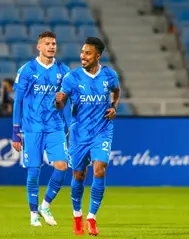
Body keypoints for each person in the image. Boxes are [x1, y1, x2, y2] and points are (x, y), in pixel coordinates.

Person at [55, 37, 121, 236]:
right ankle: (77, 216)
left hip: (102, 130)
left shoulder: (109, 75)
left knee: (100, 170)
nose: (83, 56)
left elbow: (116, 92)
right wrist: (58, 101)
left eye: (87, 53)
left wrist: (114, 106)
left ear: (98, 56)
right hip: (78, 134)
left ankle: (91, 218)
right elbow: (61, 105)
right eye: (82, 52)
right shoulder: (72, 78)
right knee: (79, 175)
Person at [11, 31, 71, 227]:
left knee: (62, 166)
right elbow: (18, 101)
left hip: (55, 127)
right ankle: (33, 213)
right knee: (34, 172)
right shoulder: (27, 70)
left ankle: (45, 205)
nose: (51, 46)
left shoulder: (63, 70)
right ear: (39, 47)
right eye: (47, 43)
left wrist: (69, 125)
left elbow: (66, 101)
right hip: (33, 127)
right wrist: (16, 131)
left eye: (54, 43)